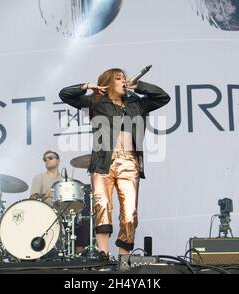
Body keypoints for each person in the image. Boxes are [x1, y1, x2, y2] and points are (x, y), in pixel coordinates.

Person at [59, 68, 171, 261]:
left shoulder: (136, 104)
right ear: (108, 83)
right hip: (103, 162)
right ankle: (103, 253)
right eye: (118, 78)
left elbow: (163, 97)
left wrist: (140, 86)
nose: (123, 81)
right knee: (102, 206)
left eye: (124, 78)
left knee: (130, 213)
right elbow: (65, 95)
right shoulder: (95, 103)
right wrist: (87, 87)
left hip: (129, 161)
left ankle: (124, 258)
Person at [30, 150, 89, 254]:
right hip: (45, 214)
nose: (47, 160)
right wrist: (46, 195)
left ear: (58, 161)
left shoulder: (65, 180)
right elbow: (32, 199)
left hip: (63, 213)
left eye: (50, 158)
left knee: (82, 217)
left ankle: (79, 253)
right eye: (45, 159)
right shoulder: (39, 178)